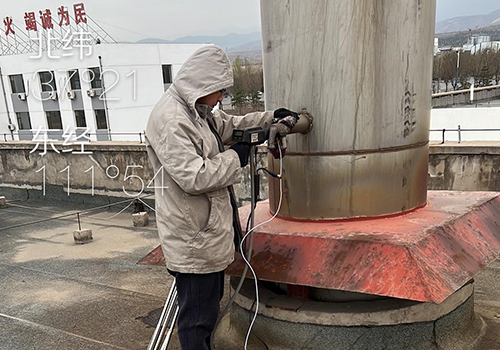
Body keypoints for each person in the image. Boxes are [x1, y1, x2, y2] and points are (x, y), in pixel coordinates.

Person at [145, 45, 298, 350]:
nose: (221, 99)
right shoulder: (173, 120)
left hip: (207, 235)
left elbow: (230, 126)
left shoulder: (198, 111)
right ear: (203, 85)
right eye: (219, 92)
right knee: (197, 320)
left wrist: (271, 118)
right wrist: (235, 158)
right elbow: (194, 176)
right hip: (193, 238)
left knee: (208, 310)